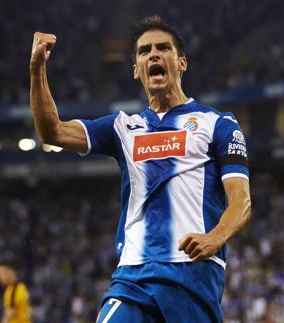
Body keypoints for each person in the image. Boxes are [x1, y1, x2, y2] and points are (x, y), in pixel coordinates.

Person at [29, 16, 251, 322]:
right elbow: (52, 132)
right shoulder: (123, 128)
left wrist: (215, 237)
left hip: (193, 274)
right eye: (144, 51)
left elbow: (242, 202)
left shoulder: (218, 124)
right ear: (136, 70)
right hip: (134, 276)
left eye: (164, 48)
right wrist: (37, 67)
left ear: (182, 62)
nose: (154, 54)